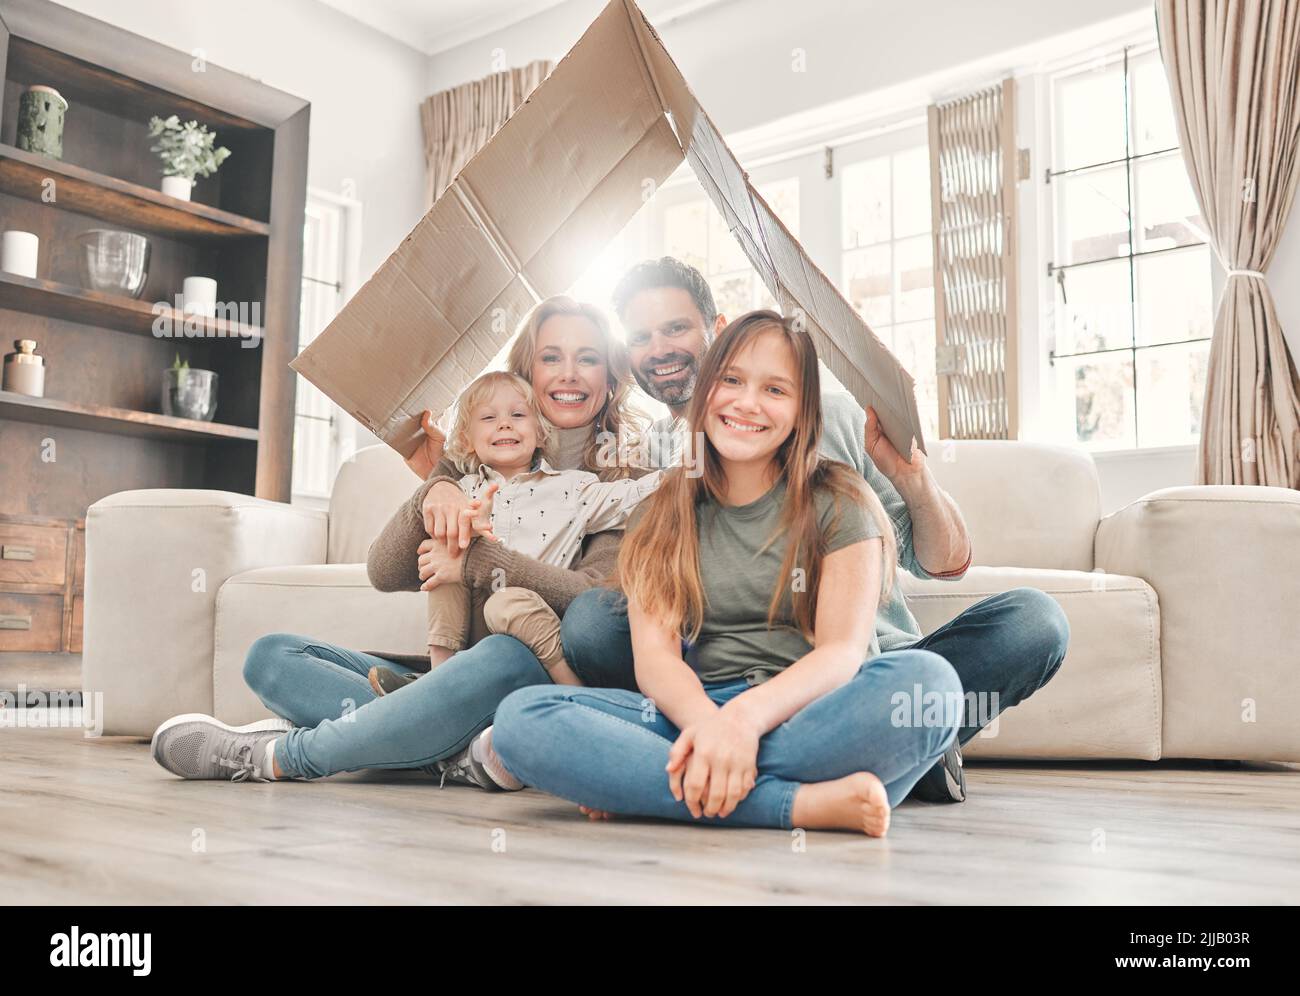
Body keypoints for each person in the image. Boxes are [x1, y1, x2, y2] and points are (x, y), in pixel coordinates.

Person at [558, 257, 1070, 802]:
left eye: (676, 328)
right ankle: (873, 758)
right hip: (717, 679)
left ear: (718, 329)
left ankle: (740, 763)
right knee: (591, 622)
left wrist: (914, 482)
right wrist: (451, 478)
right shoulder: (649, 455)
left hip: (857, 667)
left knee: (1033, 623)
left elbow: (944, 562)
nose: (659, 348)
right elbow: (534, 448)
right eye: (641, 336)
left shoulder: (834, 417)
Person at [149, 296, 652, 790]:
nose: (568, 373)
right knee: (272, 657)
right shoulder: (471, 465)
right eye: (551, 357)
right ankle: (456, 752)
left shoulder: (618, 485)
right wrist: (439, 485)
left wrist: (477, 561)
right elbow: (385, 571)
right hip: (448, 677)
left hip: (525, 668)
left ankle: (281, 757)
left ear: (609, 381)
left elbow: (593, 598)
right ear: (527, 372)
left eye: (588, 359)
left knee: (503, 649)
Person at [492, 311, 961, 835]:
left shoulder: (841, 501)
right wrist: (712, 726)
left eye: (775, 389)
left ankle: (651, 789)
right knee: (520, 720)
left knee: (933, 688)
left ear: (803, 409)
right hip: (691, 715)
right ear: (706, 389)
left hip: (808, 711)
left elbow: (841, 653)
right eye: (732, 380)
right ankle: (800, 805)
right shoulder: (661, 510)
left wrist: (744, 723)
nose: (746, 403)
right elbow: (655, 661)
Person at [376, 369, 660, 689]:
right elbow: (392, 563)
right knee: (446, 558)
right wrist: (463, 526)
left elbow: (634, 496)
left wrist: (690, 472)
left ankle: (572, 690)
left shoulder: (574, 488)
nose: (504, 423)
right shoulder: (460, 490)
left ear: (540, 433)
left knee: (504, 602)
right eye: (488, 418)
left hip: (534, 617)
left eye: (517, 414)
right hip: (474, 627)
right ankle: (438, 681)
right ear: (467, 441)